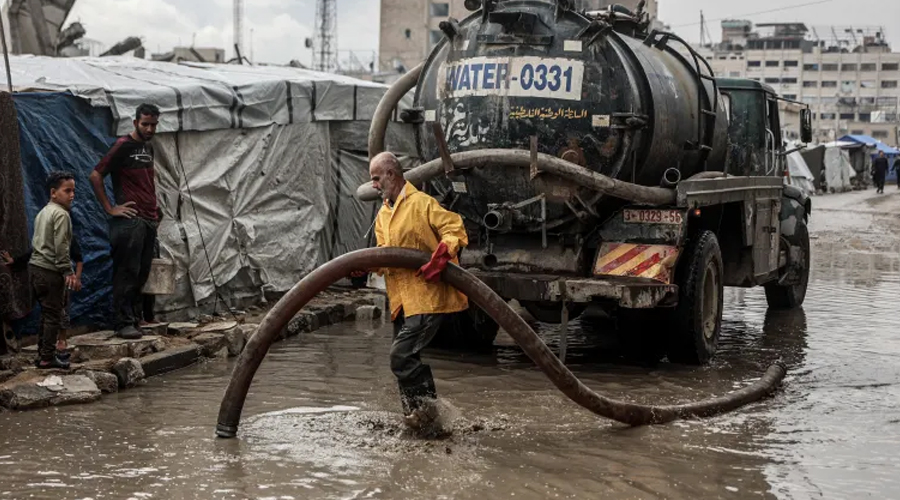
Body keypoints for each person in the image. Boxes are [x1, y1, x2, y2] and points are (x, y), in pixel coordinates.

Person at [368, 152, 469, 431]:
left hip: (426, 297)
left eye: (376, 178)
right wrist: (365, 265)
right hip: (401, 302)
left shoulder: (422, 203)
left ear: (391, 174)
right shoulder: (383, 215)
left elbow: (455, 228)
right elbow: (385, 256)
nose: (374, 185)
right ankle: (419, 421)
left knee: (400, 357)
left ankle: (428, 415)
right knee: (405, 360)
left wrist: (441, 256)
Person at [90, 104, 160, 340]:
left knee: (142, 273)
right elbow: (96, 174)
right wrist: (110, 208)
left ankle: (136, 318)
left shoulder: (147, 147)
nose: (149, 129)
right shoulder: (123, 145)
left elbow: (147, 183)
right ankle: (123, 323)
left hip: (149, 218)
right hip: (130, 221)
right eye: (145, 124)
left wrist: (155, 209)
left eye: (153, 125)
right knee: (126, 272)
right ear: (135, 123)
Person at [29, 171, 78, 369]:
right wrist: (68, 271)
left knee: (46, 314)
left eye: (74, 191)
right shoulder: (61, 214)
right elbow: (61, 246)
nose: (72, 195)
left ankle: (42, 353)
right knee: (53, 316)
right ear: (53, 193)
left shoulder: (43, 212)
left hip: (35, 268)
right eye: (67, 191)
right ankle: (48, 358)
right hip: (50, 271)